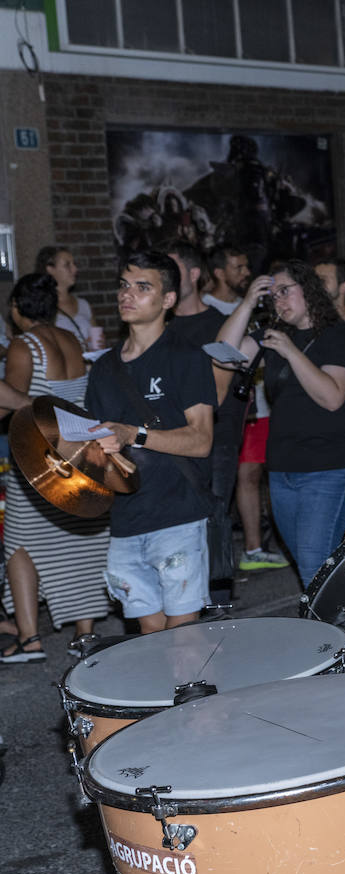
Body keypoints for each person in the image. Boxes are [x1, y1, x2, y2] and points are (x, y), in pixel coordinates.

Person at [218, 261, 345, 587]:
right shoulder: (276, 335)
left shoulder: (341, 337)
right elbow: (223, 355)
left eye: (285, 291)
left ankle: (340, 634)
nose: (279, 302)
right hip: (283, 470)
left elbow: (332, 397)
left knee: (314, 566)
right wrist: (246, 303)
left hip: (329, 469)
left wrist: (291, 353)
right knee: (310, 562)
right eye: (272, 296)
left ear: (309, 290)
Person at [88, 251, 215, 634]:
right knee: (150, 638)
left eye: (143, 287)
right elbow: (95, 443)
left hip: (178, 514)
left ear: (168, 299)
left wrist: (135, 434)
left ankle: (193, 697)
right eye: (124, 286)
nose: (128, 294)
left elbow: (202, 440)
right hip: (126, 518)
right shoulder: (104, 368)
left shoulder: (186, 358)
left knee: (183, 638)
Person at [0, 274, 107, 662]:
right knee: (81, 539)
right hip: (73, 455)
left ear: (16, 309)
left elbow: (7, 407)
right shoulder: (71, 341)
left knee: (19, 545)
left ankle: (30, 639)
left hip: (35, 460)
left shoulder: (24, 346)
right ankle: (85, 633)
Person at [165, 242, 249, 599]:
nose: (164, 277)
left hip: (218, 437)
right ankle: (182, 596)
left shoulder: (218, 323)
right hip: (170, 435)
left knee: (212, 514)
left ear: (194, 274)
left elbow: (217, 393)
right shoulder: (160, 327)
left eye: (172, 269)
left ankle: (217, 600)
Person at [36, 245, 102, 349]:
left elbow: (96, 342)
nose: (75, 269)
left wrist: (98, 344)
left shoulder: (83, 304)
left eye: (74, 264)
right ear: (50, 269)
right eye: (67, 265)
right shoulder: (41, 306)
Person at [203, 245, 251, 315]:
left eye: (247, 266)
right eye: (239, 268)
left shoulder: (246, 304)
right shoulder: (205, 308)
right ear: (220, 274)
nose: (247, 273)